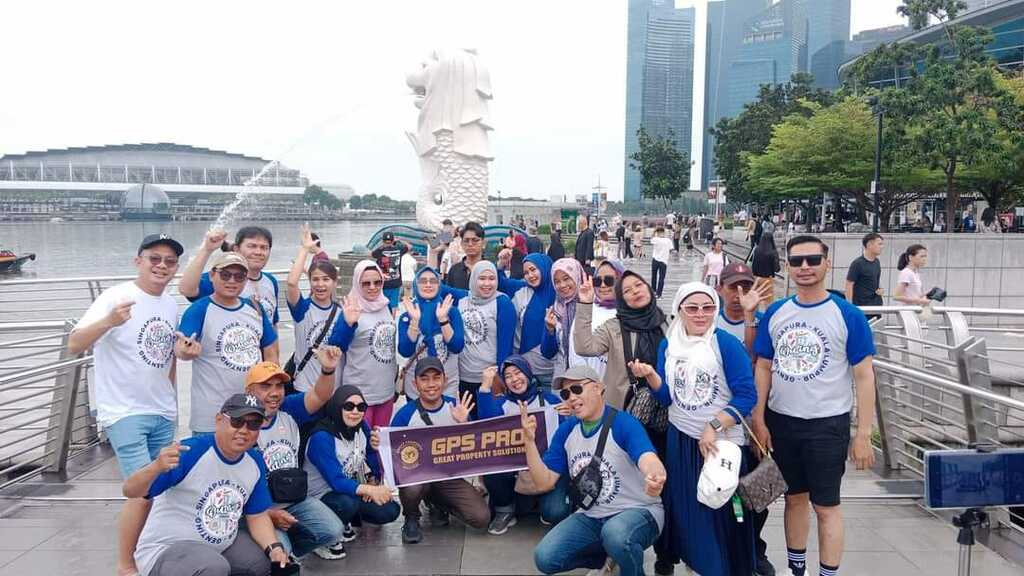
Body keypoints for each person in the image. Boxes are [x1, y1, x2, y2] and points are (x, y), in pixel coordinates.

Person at [752, 235, 877, 576]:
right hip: (782, 422)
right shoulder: (777, 312)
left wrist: (863, 433)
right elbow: (763, 367)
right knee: (793, 500)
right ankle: (797, 570)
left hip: (827, 424)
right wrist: (758, 419)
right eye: (796, 261)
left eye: (812, 260)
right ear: (787, 266)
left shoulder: (847, 314)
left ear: (827, 263)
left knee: (826, 506)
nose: (804, 267)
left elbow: (864, 375)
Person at [69, 233, 184, 576]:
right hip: (125, 412)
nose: (162, 266)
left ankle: (150, 550)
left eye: (170, 261)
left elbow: (167, 357)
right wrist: (109, 321)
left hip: (162, 410)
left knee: (159, 489)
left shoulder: (170, 304)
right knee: (141, 490)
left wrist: (172, 400)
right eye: (154, 258)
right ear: (138, 261)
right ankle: (125, 565)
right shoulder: (116, 297)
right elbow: (74, 343)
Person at [627, 282, 758, 576]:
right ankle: (696, 565)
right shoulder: (669, 345)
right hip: (681, 440)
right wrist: (651, 375)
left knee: (719, 513)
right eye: (692, 308)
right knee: (688, 513)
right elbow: (668, 398)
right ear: (679, 310)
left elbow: (747, 396)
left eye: (708, 307)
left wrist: (713, 425)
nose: (701, 314)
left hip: (719, 445)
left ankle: (720, 569)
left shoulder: (725, 344)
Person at [573, 271, 675, 571]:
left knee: (664, 483)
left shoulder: (669, 323)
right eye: (627, 290)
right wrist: (585, 304)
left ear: (649, 288)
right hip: (626, 416)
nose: (634, 292)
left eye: (638, 285)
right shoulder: (614, 326)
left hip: (667, 416)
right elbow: (585, 347)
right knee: (626, 483)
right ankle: (619, 546)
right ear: (621, 299)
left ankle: (666, 553)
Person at [525, 366, 667, 576]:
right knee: (545, 557)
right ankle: (611, 556)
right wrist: (529, 443)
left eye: (577, 389)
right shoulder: (566, 430)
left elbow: (647, 457)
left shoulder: (623, 423)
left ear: (598, 388)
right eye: (565, 394)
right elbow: (544, 482)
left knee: (616, 534)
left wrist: (655, 476)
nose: (571, 397)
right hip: (591, 515)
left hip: (638, 511)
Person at [127, 394, 289, 576]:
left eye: (253, 424)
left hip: (218, 546)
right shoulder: (190, 451)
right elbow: (131, 491)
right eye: (236, 421)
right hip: (168, 548)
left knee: (261, 562)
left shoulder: (255, 461)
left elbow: (257, 515)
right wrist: (155, 467)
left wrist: (274, 548)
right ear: (219, 420)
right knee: (213, 567)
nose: (244, 430)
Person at [245, 356, 342, 561]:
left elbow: (320, 395)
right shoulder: (240, 424)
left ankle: (291, 551)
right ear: (250, 391)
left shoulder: (288, 409)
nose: (274, 393)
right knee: (278, 554)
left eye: (279, 386)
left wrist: (327, 370)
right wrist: (268, 515)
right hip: (260, 509)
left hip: (293, 498)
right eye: (266, 386)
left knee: (333, 530)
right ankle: (276, 550)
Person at [176, 252, 278, 435]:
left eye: (239, 276)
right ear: (212, 275)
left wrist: (270, 389)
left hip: (251, 414)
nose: (232, 281)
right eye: (225, 275)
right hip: (211, 417)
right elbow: (181, 346)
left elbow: (270, 350)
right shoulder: (199, 309)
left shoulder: (255, 308)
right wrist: (185, 350)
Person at [390, 358, 488, 543]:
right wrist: (378, 442)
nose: (431, 384)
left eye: (436, 378)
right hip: (418, 477)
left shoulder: (457, 406)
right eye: (424, 379)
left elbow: (476, 448)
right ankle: (411, 517)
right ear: (415, 384)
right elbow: (392, 455)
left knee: (481, 517)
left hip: (449, 477)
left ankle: (438, 503)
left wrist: (465, 425)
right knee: (411, 487)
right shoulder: (405, 415)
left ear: (445, 380)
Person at [477, 356, 570, 535]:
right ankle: (505, 509)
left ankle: (539, 502)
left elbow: (567, 435)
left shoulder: (550, 401)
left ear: (528, 373)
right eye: (508, 376)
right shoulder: (502, 404)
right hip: (515, 470)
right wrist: (485, 386)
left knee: (555, 512)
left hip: (547, 468)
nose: (514, 379)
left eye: (518, 372)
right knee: (490, 459)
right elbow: (486, 423)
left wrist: (571, 415)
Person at [304, 385, 401, 557]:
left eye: (361, 407)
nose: (355, 412)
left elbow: (370, 452)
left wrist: (373, 479)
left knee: (389, 510)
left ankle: (342, 522)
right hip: (319, 496)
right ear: (337, 407)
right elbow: (336, 481)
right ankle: (320, 536)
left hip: (347, 489)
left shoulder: (361, 426)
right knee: (347, 504)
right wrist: (368, 490)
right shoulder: (322, 437)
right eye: (348, 406)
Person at [328, 260, 399, 428]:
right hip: (359, 394)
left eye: (377, 282)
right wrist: (348, 324)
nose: (372, 287)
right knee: (360, 440)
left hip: (386, 390)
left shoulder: (386, 305)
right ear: (357, 283)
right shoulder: (351, 309)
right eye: (366, 283)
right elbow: (335, 347)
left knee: (380, 440)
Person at [180, 227, 281, 327]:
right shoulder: (222, 278)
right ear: (237, 249)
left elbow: (273, 323)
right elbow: (186, 290)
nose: (258, 252)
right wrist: (207, 250)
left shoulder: (271, 281)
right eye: (252, 246)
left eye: (264, 247)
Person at [456, 260, 516, 417]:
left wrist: (500, 376)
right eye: (482, 278)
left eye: (492, 278)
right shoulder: (462, 300)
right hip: (464, 376)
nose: (487, 283)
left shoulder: (502, 302)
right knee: (467, 422)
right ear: (473, 279)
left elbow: (506, 347)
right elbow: (438, 288)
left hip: (490, 379)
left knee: (488, 423)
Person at [285, 224, 341, 393]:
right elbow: (291, 283)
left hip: (333, 388)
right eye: (315, 279)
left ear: (335, 283)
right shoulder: (302, 309)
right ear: (309, 281)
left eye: (326, 279)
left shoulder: (341, 312)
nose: (320, 284)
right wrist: (304, 249)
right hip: (305, 388)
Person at [398, 267, 465, 398]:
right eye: (423, 281)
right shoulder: (408, 314)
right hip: (416, 386)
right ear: (416, 285)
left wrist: (443, 319)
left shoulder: (452, 312)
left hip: (446, 384)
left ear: (439, 285)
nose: (428, 284)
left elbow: (457, 347)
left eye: (433, 281)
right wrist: (415, 321)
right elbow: (405, 351)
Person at [496, 252, 557, 388]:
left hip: (550, 371)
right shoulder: (522, 289)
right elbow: (499, 282)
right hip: (523, 370)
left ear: (544, 268)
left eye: (533, 270)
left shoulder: (559, 292)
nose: (530, 275)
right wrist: (501, 264)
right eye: (526, 273)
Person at [542, 258, 586, 381]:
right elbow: (547, 353)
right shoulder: (555, 309)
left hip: (588, 378)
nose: (562, 285)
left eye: (566, 278)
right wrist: (549, 330)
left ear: (577, 276)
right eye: (556, 281)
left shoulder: (590, 306)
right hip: (562, 379)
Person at [715, 263, 771, 357]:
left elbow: (754, 357)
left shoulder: (765, 322)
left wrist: (749, 316)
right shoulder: (711, 322)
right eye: (733, 288)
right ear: (719, 289)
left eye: (745, 289)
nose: (739, 295)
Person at [372, 231, 413, 310]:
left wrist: (382, 246)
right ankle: (392, 318)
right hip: (396, 282)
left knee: (383, 304)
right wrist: (399, 240)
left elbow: (372, 254)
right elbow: (410, 246)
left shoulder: (380, 251)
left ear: (383, 241)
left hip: (384, 283)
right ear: (393, 240)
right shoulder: (399, 249)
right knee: (394, 305)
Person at [845, 233, 885, 311]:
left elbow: (876, 280)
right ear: (869, 245)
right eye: (879, 244)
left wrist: (880, 289)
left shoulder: (877, 262)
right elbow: (849, 284)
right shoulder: (857, 263)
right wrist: (849, 306)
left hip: (876, 305)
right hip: (861, 307)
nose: (882, 247)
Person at [445, 221, 486, 290]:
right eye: (466, 241)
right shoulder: (454, 270)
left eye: (475, 240)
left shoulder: (490, 269)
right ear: (461, 244)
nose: (470, 244)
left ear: (483, 243)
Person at [751, 233, 780, 307]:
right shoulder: (773, 252)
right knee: (768, 302)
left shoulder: (756, 250)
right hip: (767, 279)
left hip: (756, 278)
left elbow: (753, 264)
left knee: (754, 301)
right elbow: (777, 269)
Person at [650, 226, 673, 298]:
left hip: (655, 260)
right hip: (664, 261)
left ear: (657, 233)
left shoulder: (655, 239)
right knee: (661, 278)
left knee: (654, 276)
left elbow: (651, 239)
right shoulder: (668, 240)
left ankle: (653, 291)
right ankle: (659, 294)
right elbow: (671, 250)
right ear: (664, 232)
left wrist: (654, 231)